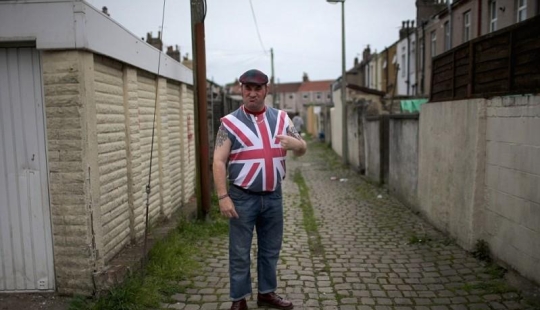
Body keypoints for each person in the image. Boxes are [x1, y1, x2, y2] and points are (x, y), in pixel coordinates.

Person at [213, 69, 307, 310]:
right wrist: (223, 196)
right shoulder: (229, 123)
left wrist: (295, 143)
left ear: (266, 90)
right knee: (240, 251)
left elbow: (302, 147)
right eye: (248, 88)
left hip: (273, 196)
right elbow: (219, 161)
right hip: (242, 197)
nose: (252, 93)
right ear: (241, 89)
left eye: (258, 89)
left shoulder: (282, 118)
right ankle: (239, 299)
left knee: (270, 250)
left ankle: (266, 293)